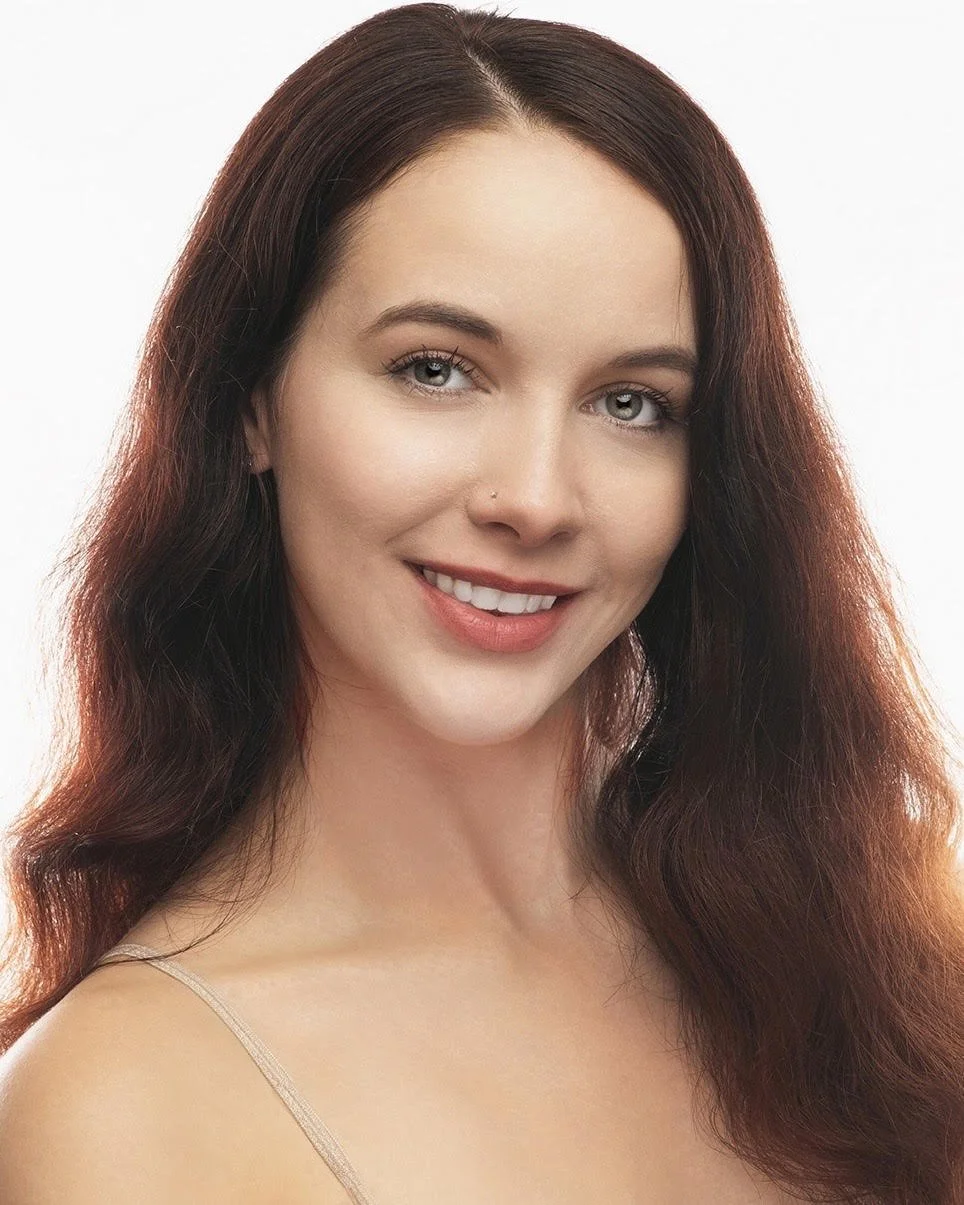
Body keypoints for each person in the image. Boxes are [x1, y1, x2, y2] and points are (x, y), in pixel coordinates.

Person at [1, 4, 962, 1203]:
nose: (535, 497)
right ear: (249, 399)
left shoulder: (888, 946)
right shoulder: (122, 1108)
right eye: (435, 370)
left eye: (630, 401)